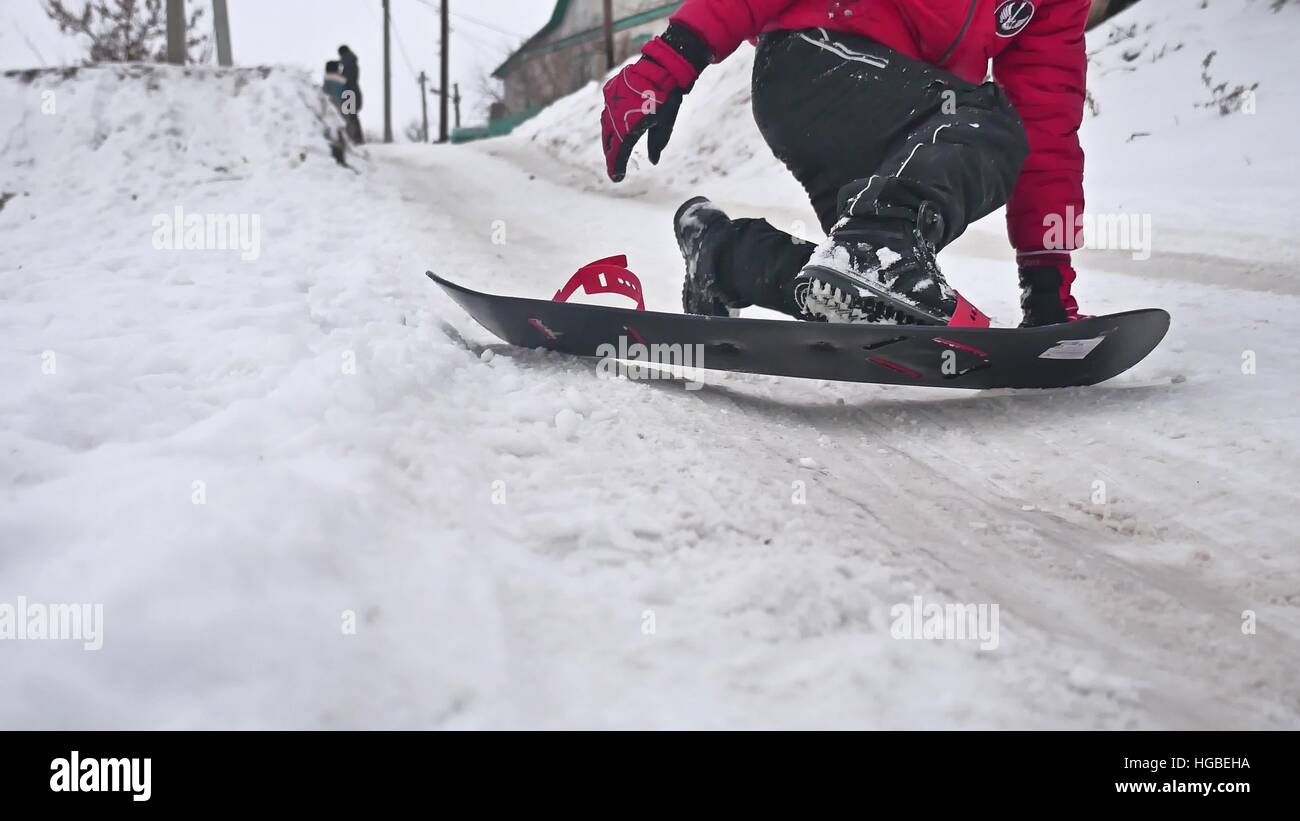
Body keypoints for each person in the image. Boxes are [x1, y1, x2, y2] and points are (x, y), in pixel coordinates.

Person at [599, 0, 1087, 327]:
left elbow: (1045, 124)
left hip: (909, 124)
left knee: (866, 301)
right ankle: (874, 251)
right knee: (987, 126)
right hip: (817, 61)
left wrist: (1048, 279)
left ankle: (725, 256)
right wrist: (672, 58)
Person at [337, 45, 364, 144]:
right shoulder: (351, 62)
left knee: (350, 116)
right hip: (353, 91)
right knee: (352, 115)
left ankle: (356, 139)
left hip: (349, 92)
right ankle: (357, 138)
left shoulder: (347, 62)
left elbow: (347, 79)